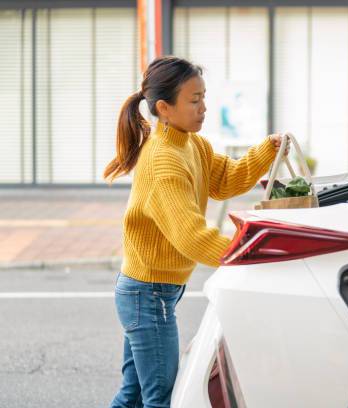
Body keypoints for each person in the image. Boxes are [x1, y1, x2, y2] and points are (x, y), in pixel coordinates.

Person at [103, 56, 289, 408]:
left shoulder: (191, 144)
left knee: (135, 395)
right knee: (160, 397)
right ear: (164, 108)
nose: (204, 107)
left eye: (203, 97)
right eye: (194, 100)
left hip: (151, 293)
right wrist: (252, 251)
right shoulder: (164, 160)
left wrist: (268, 150)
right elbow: (192, 236)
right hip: (148, 296)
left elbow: (225, 180)